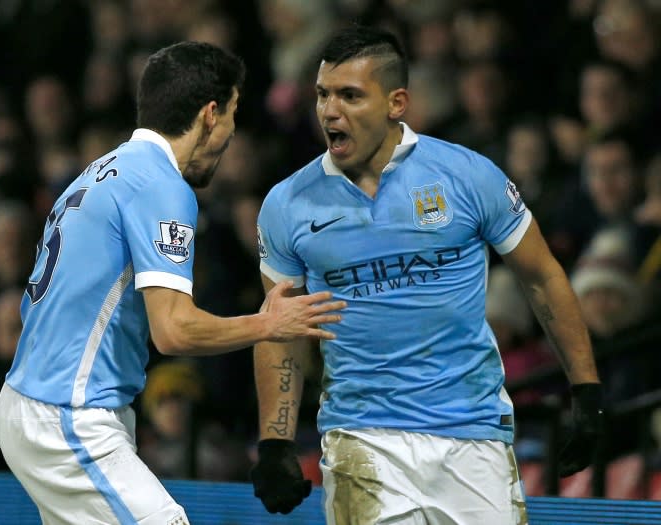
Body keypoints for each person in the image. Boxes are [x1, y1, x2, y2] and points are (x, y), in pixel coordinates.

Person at [250, 25, 605, 524]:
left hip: (473, 432)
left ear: (397, 103)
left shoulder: (467, 175)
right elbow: (279, 327)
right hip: (363, 438)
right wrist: (275, 441)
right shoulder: (287, 204)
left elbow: (542, 277)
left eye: (350, 95)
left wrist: (586, 391)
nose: (330, 111)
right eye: (323, 95)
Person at [0, 41, 345, 525]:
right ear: (210, 114)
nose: (232, 133)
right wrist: (268, 324)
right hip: (67, 414)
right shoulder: (160, 185)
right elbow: (174, 330)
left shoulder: (100, 172)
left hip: (43, 404)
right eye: (233, 115)